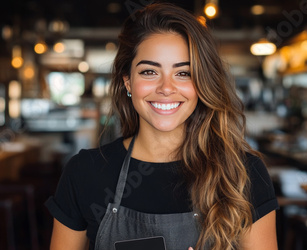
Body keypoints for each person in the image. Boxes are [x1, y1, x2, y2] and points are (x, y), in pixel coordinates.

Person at [45, 3, 278, 250]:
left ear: (202, 83)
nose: (166, 88)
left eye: (183, 73)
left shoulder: (243, 174)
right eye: (149, 72)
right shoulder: (85, 173)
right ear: (128, 82)